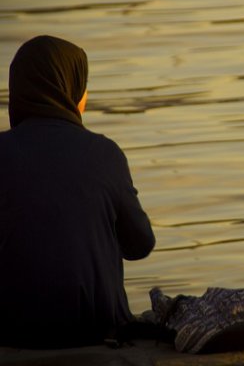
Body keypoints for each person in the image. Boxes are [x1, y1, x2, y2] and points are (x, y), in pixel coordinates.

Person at [0, 35, 155, 348]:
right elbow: (140, 244)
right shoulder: (104, 153)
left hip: (11, 334)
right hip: (96, 332)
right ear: (70, 90)